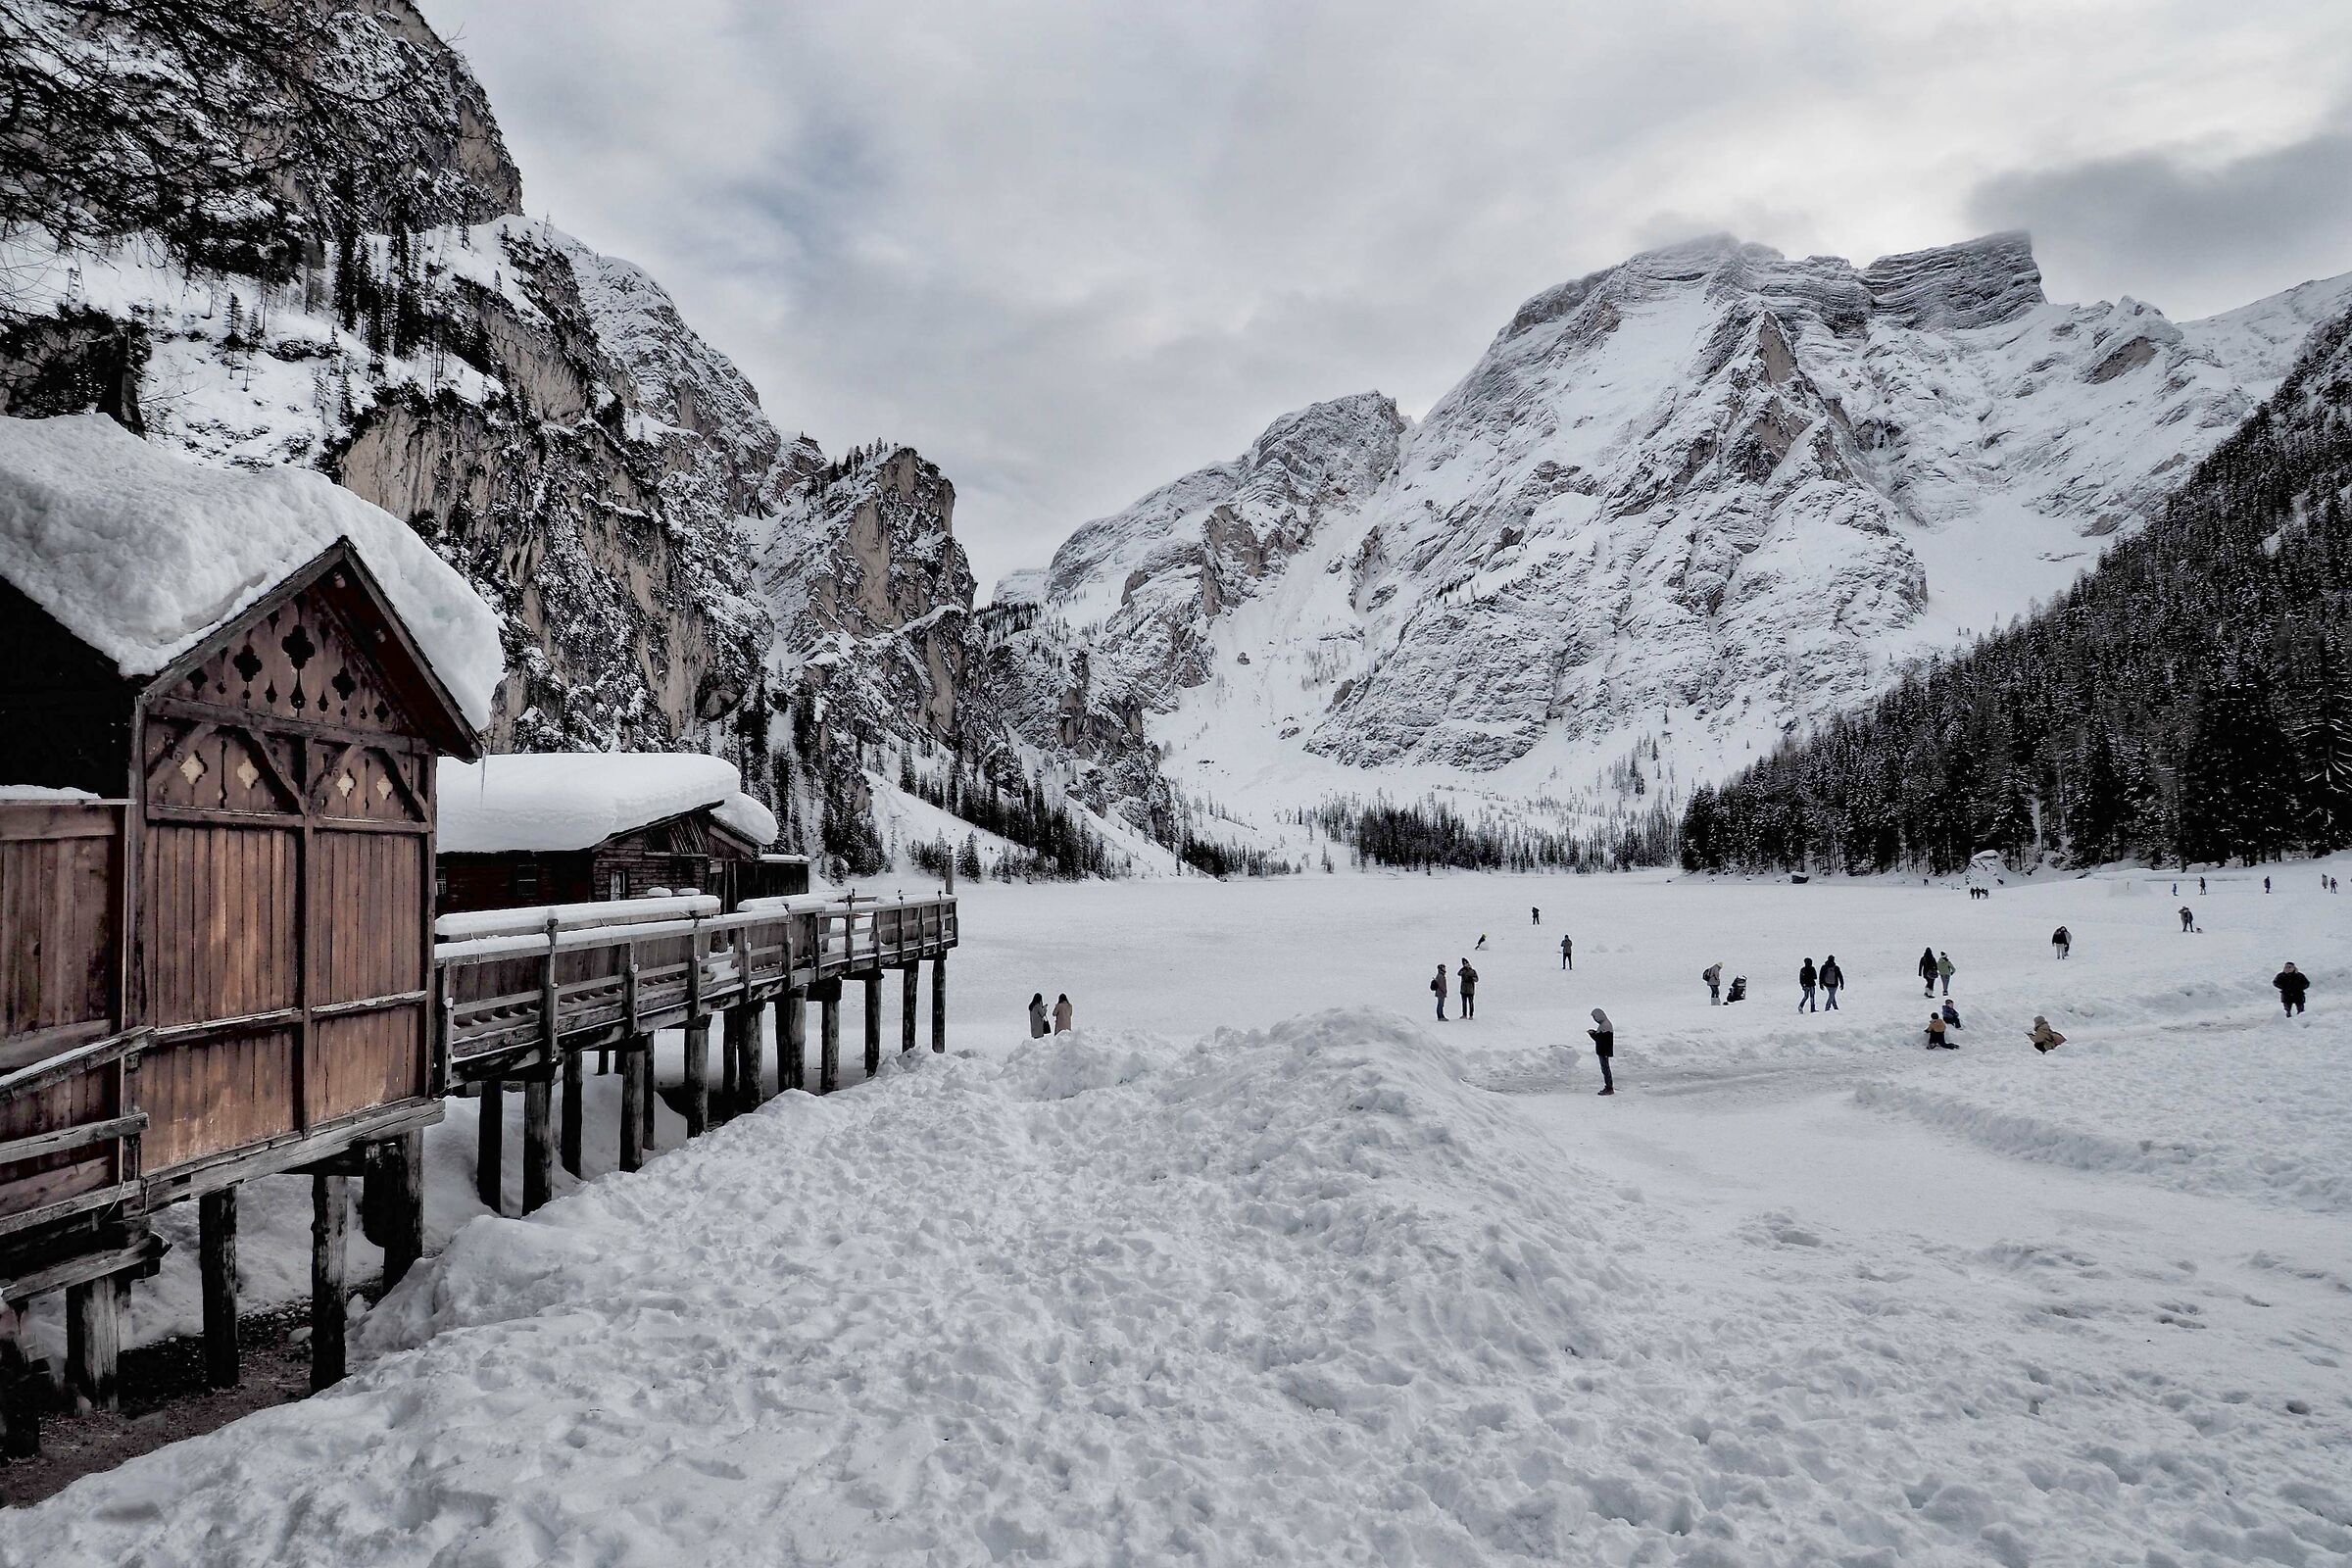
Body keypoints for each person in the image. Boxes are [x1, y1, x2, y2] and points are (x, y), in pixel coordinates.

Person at [1588, 1007, 1615, 1095]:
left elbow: (1601, 1040)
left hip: (1604, 1051)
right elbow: (1601, 1038)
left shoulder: (1605, 1025)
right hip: (1603, 1051)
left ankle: (1609, 1087)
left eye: (1595, 1017)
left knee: (1605, 1069)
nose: (1595, 1019)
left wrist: (1593, 1034)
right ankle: (1608, 1086)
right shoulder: (1604, 1025)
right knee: (1605, 1069)